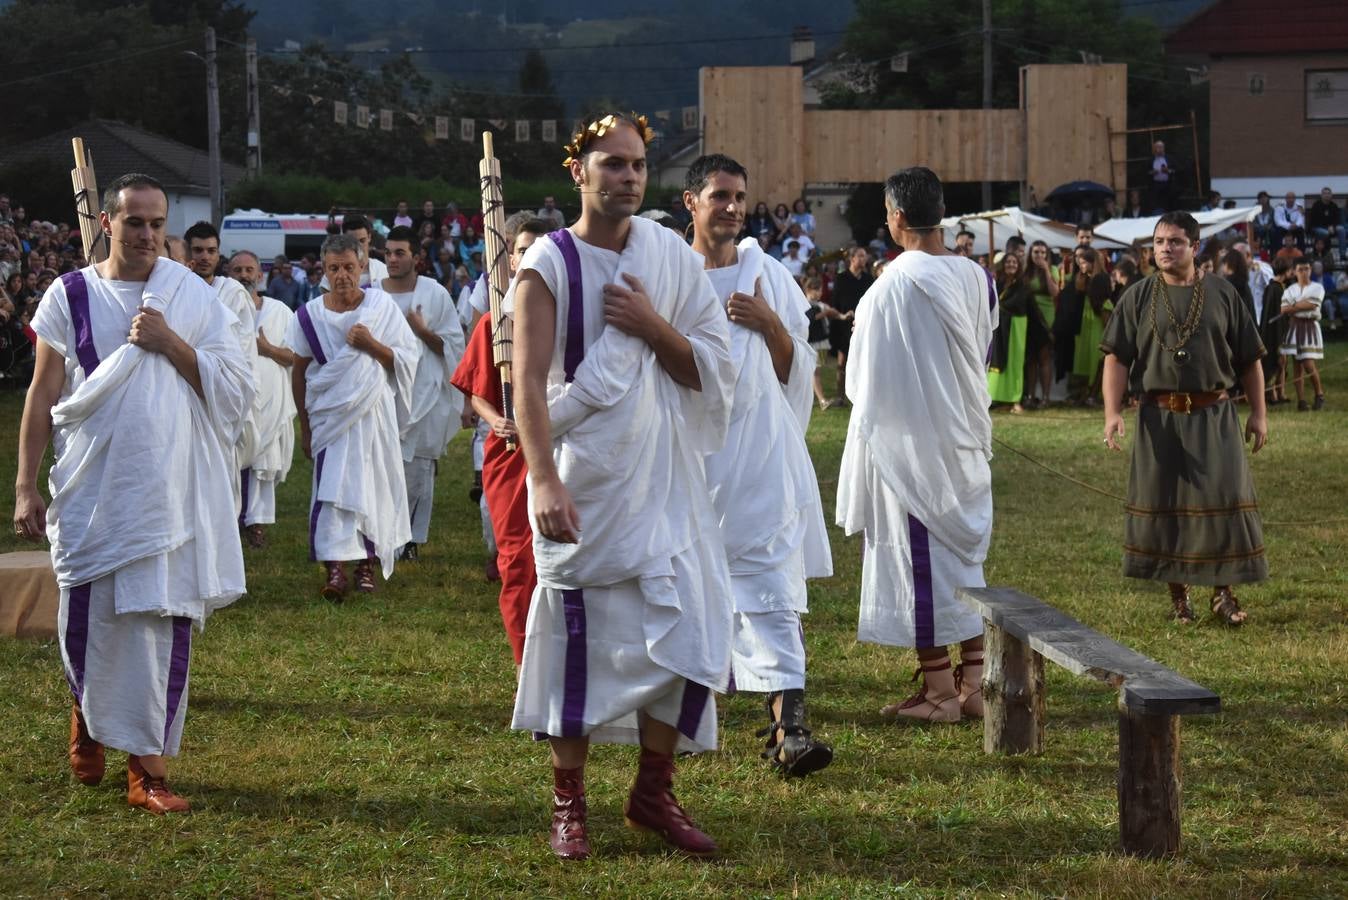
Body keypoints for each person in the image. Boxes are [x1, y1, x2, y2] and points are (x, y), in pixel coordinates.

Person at [509, 112, 734, 860]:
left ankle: (651, 791)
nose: (628, 177)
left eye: (637, 165)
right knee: (581, 642)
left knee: (691, 631)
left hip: (664, 479)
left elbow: (710, 363)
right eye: (612, 164)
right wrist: (542, 479)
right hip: (587, 480)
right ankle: (568, 803)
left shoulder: (668, 257)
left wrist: (649, 323)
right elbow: (531, 391)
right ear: (579, 172)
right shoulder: (550, 263)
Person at [13, 173, 254, 813]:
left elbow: (235, 388)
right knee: (86, 621)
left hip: (169, 494)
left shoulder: (190, 296)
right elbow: (43, 395)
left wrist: (170, 342)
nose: (147, 234)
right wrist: (24, 486)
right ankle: (88, 718)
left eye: (156, 223)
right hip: (93, 491)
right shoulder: (69, 295)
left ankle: (148, 771)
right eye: (134, 222)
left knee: (159, 622)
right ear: (104, 224)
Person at [683, 154, 834, 776]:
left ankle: (789, 728)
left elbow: (795, 368)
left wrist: (770, 322)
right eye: (719, 195)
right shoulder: (669, 274)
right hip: (694, 459)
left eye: (739, 196)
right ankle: (687, 709)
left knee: (772, 586)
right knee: (690, 587)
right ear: (691, 201)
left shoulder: (766, 273)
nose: (732, 207)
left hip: (762, 454)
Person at [836, 166, 991, 724]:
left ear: (897, 216)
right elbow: (981, 353)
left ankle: (940, 694)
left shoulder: (893, 284)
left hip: (914, 445)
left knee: (921, 564)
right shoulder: (977, 276)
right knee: (964, 565)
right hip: (966, 436)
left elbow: (861, 380)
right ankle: (973, 683)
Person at [1100, 211, 1268, 627]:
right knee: (1168, 506)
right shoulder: (1137, 296)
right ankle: (1180, 598)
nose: (1164, 248)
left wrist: (1259, 415)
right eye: (1158, 241)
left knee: (1222, 501)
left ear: (1195, 247)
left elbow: (1250, 359)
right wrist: (1111, 412)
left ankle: (1223, 594)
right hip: (1160, 417)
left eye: (1175, 241)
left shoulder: (1222, 293)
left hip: (1214, 413)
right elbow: (1117, 358)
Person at [285, 233, 419, 601]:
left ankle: (365, 564)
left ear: (362, 267)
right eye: (334, 268)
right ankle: (335, 568)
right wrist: (306, 427)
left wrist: (372, 345)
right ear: (322, 272)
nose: (342, 275)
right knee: (331, 489)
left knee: (371, 483)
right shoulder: (308, 317)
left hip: (372, 414)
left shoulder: (380, 307)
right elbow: (299, 371)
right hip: (330, 416)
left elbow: (407, 359)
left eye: (349, 267)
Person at [449, 217, 550, 664]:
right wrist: (497, 421)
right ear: (510, 258)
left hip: (562, 449)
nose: (532, 258)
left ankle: (566, 663)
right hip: (510, 454)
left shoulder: (571, 318)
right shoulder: (494, 321)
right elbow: (477, 392)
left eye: (542, 250)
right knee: (518, 563)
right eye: (524, 250)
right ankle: (527, 667)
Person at [379, 226, 467, 560]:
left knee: (419, 471)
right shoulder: (374, 293)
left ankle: (411, 540)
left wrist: (421, 331)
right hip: (385, 393)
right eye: (387, 253)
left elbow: (453, 345)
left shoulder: (434, 293)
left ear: (416, 257)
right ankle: (384, 533)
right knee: (386, 466)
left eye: (399, 252)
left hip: (425, 392)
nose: (392, 259)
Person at [184, 221, 258, 515]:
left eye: (211, 251)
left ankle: (223, 529)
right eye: (198, 250)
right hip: (184, 386)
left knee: (222, 463)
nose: (204, 256)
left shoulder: (233, 292)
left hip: (222, 389)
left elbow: (241, 348)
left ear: (219, 255)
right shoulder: (175, 286)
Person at [228, 250, 297, 549]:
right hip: (234, 399)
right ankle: (230, 522)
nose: (244, 275)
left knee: (263, 461)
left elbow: (295, 356)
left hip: (271, 400)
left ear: (260, 275)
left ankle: (256, 524)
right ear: (228, 276)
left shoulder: (280, 311)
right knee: (232, 459)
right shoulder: (220, 308)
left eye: (249, 270)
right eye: (237, 270)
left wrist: (265, 349)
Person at [987, 251, 1048, 414]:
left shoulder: (1023, 285)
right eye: (1008, 262)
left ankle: (1015, 400)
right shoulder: (996, 283)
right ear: (1003, 265)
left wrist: (1046, 330)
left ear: (1019, 265)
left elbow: (1031, 309)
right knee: (996, 362)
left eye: (1014, 262)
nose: (1011, 264)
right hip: (998, 328)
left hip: (1016, 327)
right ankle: (995, 397)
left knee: (1015, 364)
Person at [827, 247, 871, 407]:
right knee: (842, 361)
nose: (863, 259)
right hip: (843, 324)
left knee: (862, 361)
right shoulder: (841, 278)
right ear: (852, 259)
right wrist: (842, 315)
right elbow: (836, 301)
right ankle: (840, 396)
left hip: (861, 325)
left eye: (865, 256)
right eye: (860, 256)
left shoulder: (868, 279)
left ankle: (859, 396)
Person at [1280, 258, 1326, 411]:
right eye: (1301, 269)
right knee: (1297, 365)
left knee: (1308, 363)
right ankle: (1301, 400)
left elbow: (1313, 304)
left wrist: (1294, 305)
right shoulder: (1290, 289)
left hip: (1309, 326)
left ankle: (1319, 394)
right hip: (1294, 326)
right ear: (1294, 271)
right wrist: (1301, 305)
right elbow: (1284, 309)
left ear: (1310, 270)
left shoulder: (1317, 287)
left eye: (1307, 269)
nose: (1304, 272)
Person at [1024, 241, 1059, 406]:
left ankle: (1045, 397)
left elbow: (1054, 292)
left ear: (1047, 255)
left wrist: (1045, 270)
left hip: (1046, 318)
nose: (1039, 255)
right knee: (1031, 359)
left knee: (1044, 358)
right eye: (1036, 252)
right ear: (1030, 254)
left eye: (1042, 252)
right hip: (1029, 317)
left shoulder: (1052, 270)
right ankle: (1031, 396)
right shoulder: (1026, 271)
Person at [319, 214, 388, 291]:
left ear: (369, 237)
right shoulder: (332, 274)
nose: (358, 246)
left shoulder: (382, 270)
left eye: (362, 241)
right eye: (353, 242)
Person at [1261, 257, 1292, 404]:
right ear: (1286, 271)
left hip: (1279, 331)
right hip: (1275, 333)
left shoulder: (1276, 287)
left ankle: (1281, 392)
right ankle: (1272, 392)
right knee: (1277, 362)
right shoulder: (1275, 289)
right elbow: (1276, 315)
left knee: (1283, 362)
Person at [1306, 188, 1344, 260]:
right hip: (1317, 228)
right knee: (1325, 232)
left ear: (1331, 195)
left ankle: (1342, 255)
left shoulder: (1334, 205)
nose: (1327, 195)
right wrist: (1327, 227)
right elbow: (1314, 221)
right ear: (1321, 195)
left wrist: (1333, 226)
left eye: (1328, 193)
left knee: (1341, 229)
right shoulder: (1316, 205)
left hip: (1331, 228)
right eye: (1325, 193)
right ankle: (1326, 255)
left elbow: (1337, 220)